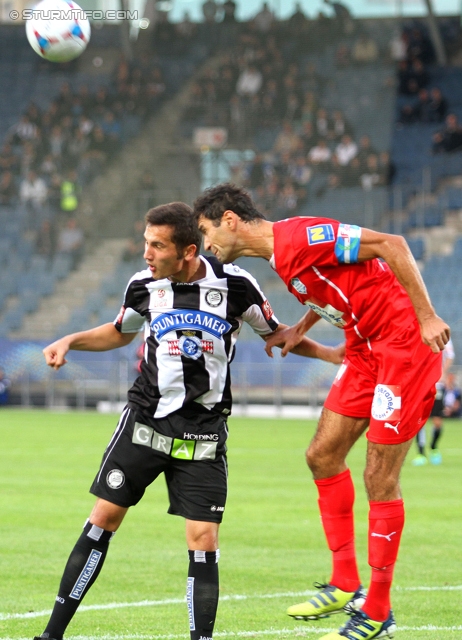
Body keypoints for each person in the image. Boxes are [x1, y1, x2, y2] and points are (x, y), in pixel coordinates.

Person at [34, 202, 343, 640]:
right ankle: (51, 634)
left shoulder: (237, 286)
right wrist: (70, 340)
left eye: (157, 246)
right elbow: (121, 330)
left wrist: (330, 353)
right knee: (103, 517)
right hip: (146, 423)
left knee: (203, 540)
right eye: (146, 243)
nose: (147, 254)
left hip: (203, 433)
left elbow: (275, 334)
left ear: (188, 251)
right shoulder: (143, 286)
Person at [193, 183, 449, 640]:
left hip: (404, 347)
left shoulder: (304, 237)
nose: (207, 244)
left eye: (207, 231)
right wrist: (300, 327)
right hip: (364, 349)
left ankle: (377, 611)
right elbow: (331, 290)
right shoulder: (279, 258)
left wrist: (427, 315)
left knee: (379, 478)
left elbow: (392, 246)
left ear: (229, 220)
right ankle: (345, 582)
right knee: (322, 456)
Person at [412, 338, 454, 466]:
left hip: (437, 385)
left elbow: (450, 356)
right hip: (420, 384)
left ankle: (434, 448)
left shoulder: (441, 334)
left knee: (437, 420)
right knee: (419, 420)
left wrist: (442, 372)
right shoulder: (417, 336)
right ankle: (421, 453)